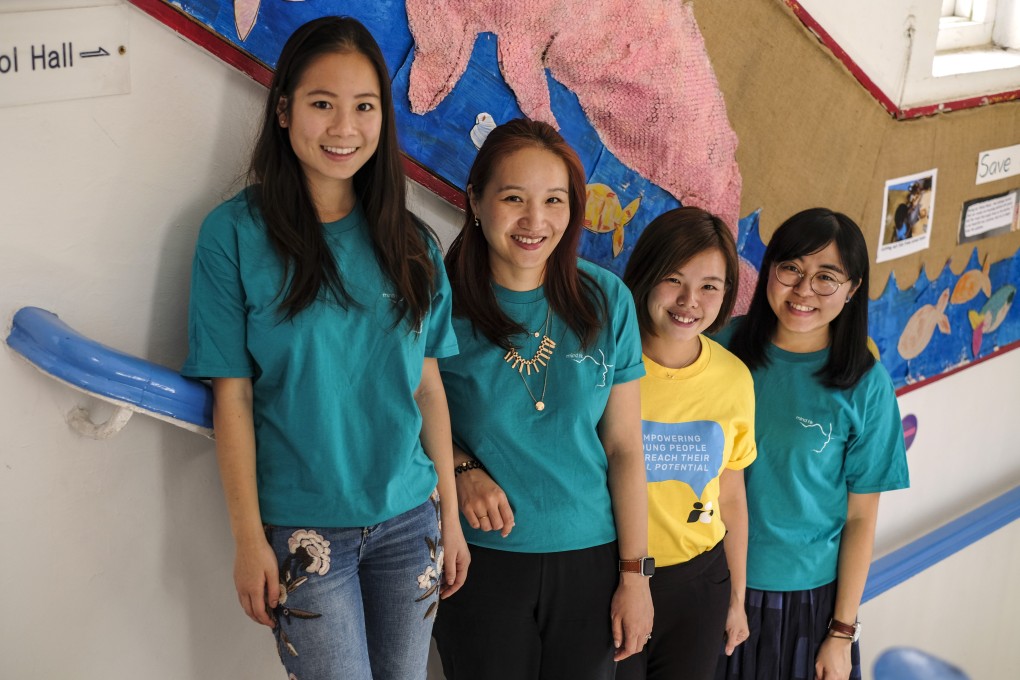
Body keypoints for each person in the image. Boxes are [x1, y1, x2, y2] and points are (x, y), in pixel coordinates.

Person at [181, 17, 468, 680]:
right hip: (306, 534)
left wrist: (449, 518)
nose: (345, 128)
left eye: (364, 107)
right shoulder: (233, 236)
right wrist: (248, 540)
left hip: (409, 520)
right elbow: (232, 396)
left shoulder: (414, 245)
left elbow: (427, 389)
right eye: (321, 104)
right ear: (283, 111)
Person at [432, 118, 653, 679]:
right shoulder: (436, 298)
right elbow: (405, 407)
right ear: (476, 201)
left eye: (555, 201)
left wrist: (636, 573)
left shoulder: (607, 299)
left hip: (591, 560)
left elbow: (625, 447)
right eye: (514, 198)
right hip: (480, 559)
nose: (536, 221)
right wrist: (459, 467)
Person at [715, 208, 910, 680]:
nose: (803, 290)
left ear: (853, 289)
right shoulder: (718, 351)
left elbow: (862, 518)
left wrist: (842, 632)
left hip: (804, 604)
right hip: (710, 582)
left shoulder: (864, 383)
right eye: (791, 269)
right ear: (770, 272)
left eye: (826, 277)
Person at [616, 208, 757, 680]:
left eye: (709, 287)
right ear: (646, 275)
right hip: (613, 577)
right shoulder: (608, 362)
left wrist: (736, 599)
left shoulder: (734, 378)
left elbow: (732, 495)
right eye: (673, 279)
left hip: (699, 580)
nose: (689, 301)